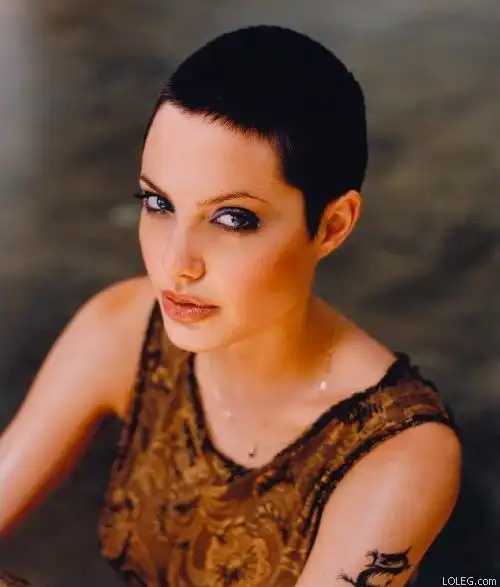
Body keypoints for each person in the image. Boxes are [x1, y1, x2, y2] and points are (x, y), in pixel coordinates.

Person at [0, 25, 461, 587]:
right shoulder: (126, 327)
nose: (176, 263)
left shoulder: (397, 454)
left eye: (232, 219)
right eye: (158, 203)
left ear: (332, 225)